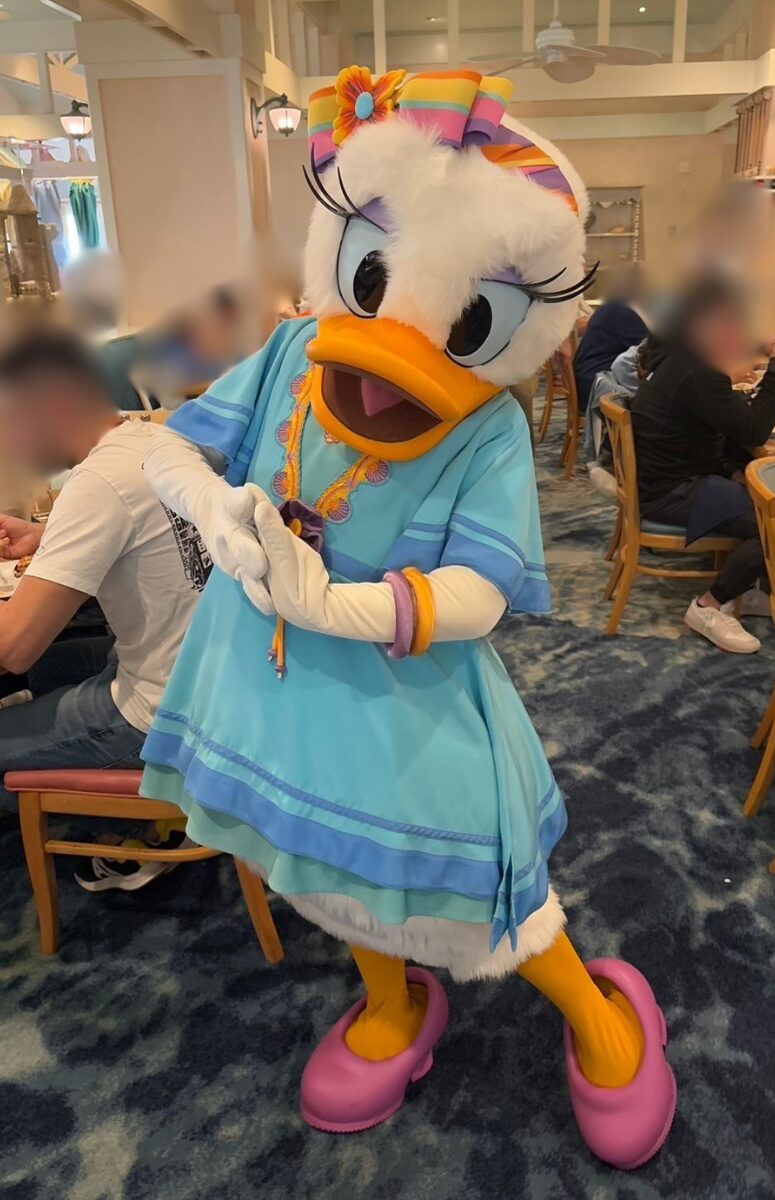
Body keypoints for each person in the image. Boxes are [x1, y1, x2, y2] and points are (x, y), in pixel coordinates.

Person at [137, 66, 676, 1170]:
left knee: (472, 902)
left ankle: (593, 1008)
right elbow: (168, 443)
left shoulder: (485, 429)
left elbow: (481, 592)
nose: (403, 340)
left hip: (401, 703)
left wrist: (332, 601)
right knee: (321, 872)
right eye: (377, 276)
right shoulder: (289, 353)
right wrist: (216, 514)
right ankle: (389, 1000)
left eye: (467, 312)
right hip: (272, 686)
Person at [0, 329, 202, 889]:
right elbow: (132, 525)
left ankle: (142, 822)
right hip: (210, 683)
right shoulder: (150, 440)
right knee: (54, 667)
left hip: (162, 716)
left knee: (28, 668)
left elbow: (13, 647)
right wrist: (44, 535)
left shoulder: (97, 482)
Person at [630, 277, 775, 652]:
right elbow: (754, 430)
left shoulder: (686, 357)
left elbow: (701, 436)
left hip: (672, 476)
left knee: (773, 495)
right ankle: (709, 605)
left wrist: (730, 470)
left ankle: (749, 587)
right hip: (670, 491)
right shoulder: (698, 368)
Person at [572, 270, 649, 413]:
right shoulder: (625, 310)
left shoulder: (615, 304)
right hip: (597, 391)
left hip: (590, 382)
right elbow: (651, 348)